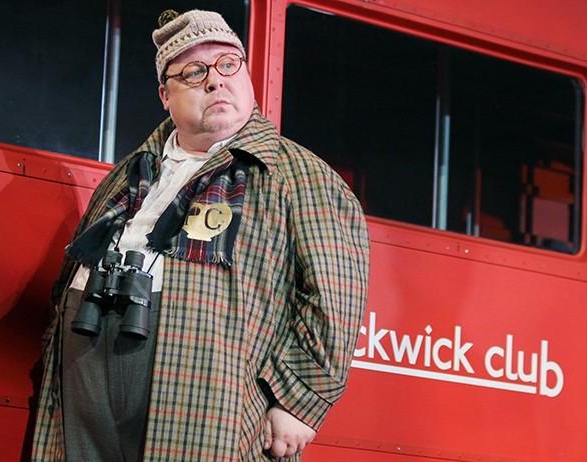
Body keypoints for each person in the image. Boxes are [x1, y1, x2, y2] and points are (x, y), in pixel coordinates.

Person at [31, 9, 369, 461]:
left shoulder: (300, 177)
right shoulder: (128, 174)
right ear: (164, 95)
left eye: (228, 64)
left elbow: (335, 299)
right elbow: (67, 277)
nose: (215, 81)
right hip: (85, 366)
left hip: (203, 393)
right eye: (193, 72)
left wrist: (298, 402)